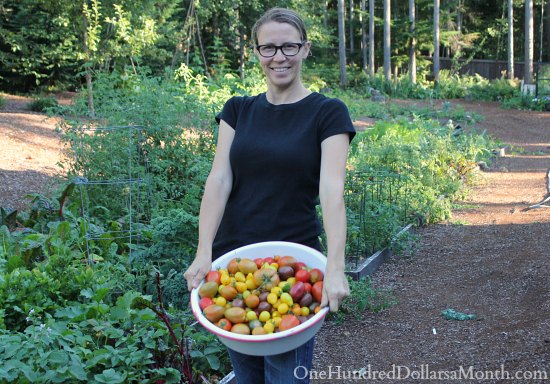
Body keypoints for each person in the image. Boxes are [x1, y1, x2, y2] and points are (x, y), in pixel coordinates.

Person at [184, 7, 356, 384]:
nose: (279, 57)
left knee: (285, 378)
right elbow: (219, 180)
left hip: (292, 268)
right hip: (234, 267)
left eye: (289, 46)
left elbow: (332, 191)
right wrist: (203, 252)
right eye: (269, 48)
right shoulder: (237, 110)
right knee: (247, 376)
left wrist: (335, 267)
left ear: (306, 49)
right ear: (256, 52)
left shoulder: (327, 113)